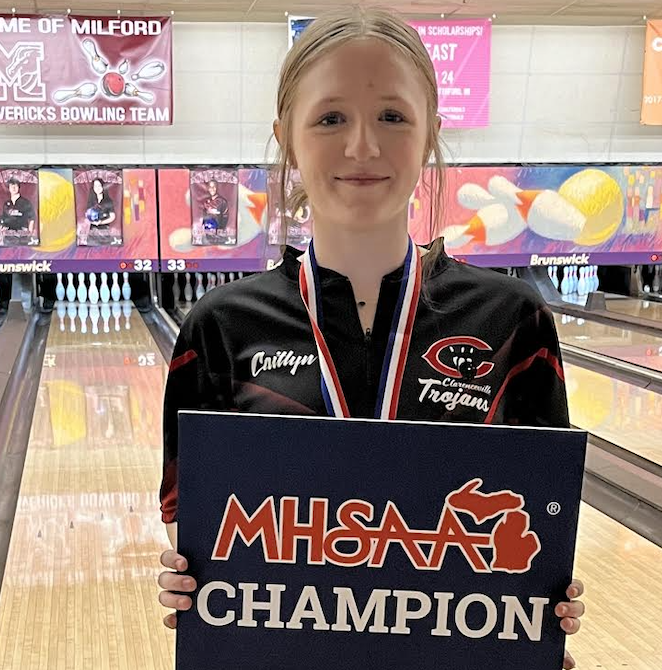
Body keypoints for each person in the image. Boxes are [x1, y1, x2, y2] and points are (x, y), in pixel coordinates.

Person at [157, 7, 586, 668]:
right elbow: (205, 545)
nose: (362, 146)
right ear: (287, 138)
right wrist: (189, 586)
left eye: (393, 116)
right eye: (330, 118)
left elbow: (539, 526)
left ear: (431, 134)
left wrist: (543, 614)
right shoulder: (218, 328)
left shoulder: (514, 323)